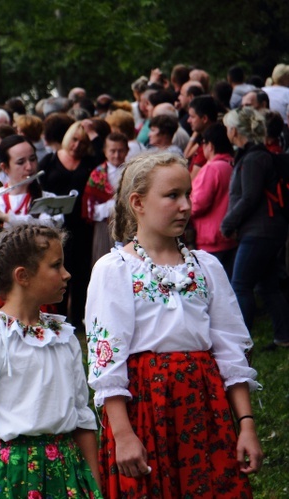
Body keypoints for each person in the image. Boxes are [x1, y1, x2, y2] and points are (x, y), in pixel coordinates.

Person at [86, 151, 263, 498]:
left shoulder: (206, 266)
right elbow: (107, 359)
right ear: (137, 202)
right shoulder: (115, 268)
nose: (185, 206)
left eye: (187, 195)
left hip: (204, 403)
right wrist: (123, 434)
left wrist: (245, 425)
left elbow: (230, 349)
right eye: (172, 196)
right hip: (145, 407)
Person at [0, 224, 101, 499]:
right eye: (56, 266)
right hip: (14, 475)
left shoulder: (63, 337)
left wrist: (95, 489)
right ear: (23, 276)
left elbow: (82, 420)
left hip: (66, 468)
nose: (67, 274)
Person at [221, 107, 289, 348]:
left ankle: (240, 341)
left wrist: (229, 222)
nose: (226, 130)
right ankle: (283, 337)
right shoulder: (252, 155)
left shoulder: (253, 158)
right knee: (268, 286)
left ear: (235, 130)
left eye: (228, 126)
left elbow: (249, 197)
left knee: (240, 284)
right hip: (267, 230)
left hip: (260, 232)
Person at [0, 135, 62, 261]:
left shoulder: (48, 199)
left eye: (33, 159)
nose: (29, 167)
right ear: (5, 168)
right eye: (20, 162)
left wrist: (5, 217)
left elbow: (49, 229)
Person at [38, 122, 100, 329]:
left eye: (83, 142)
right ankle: (59, 316)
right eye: (74, 139)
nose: (77, 145)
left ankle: (79, 319)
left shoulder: (91, 161)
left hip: (82, 226)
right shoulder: (50, 160)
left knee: (81, 273)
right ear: (67, 138)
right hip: (54, 227)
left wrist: (94, 136)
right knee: (57, 269)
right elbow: (36, 188)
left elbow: (106, 160)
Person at [190, 124, 238, 277]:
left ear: (209, 145)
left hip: (211, 239)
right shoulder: (233, 164)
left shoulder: (212, 168)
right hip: (230, 235)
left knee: (212, 286)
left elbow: (198, 204)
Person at [82, 132, 129, 264]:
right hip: (104, 227)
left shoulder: (131, 172)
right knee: (103, 259)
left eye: (120, 151)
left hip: (128, 226)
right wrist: (112, 206)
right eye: (112, 151)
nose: (116, 155)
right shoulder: (97, 174)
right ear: (105, 151)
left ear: (127, 151)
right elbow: (90, 207)